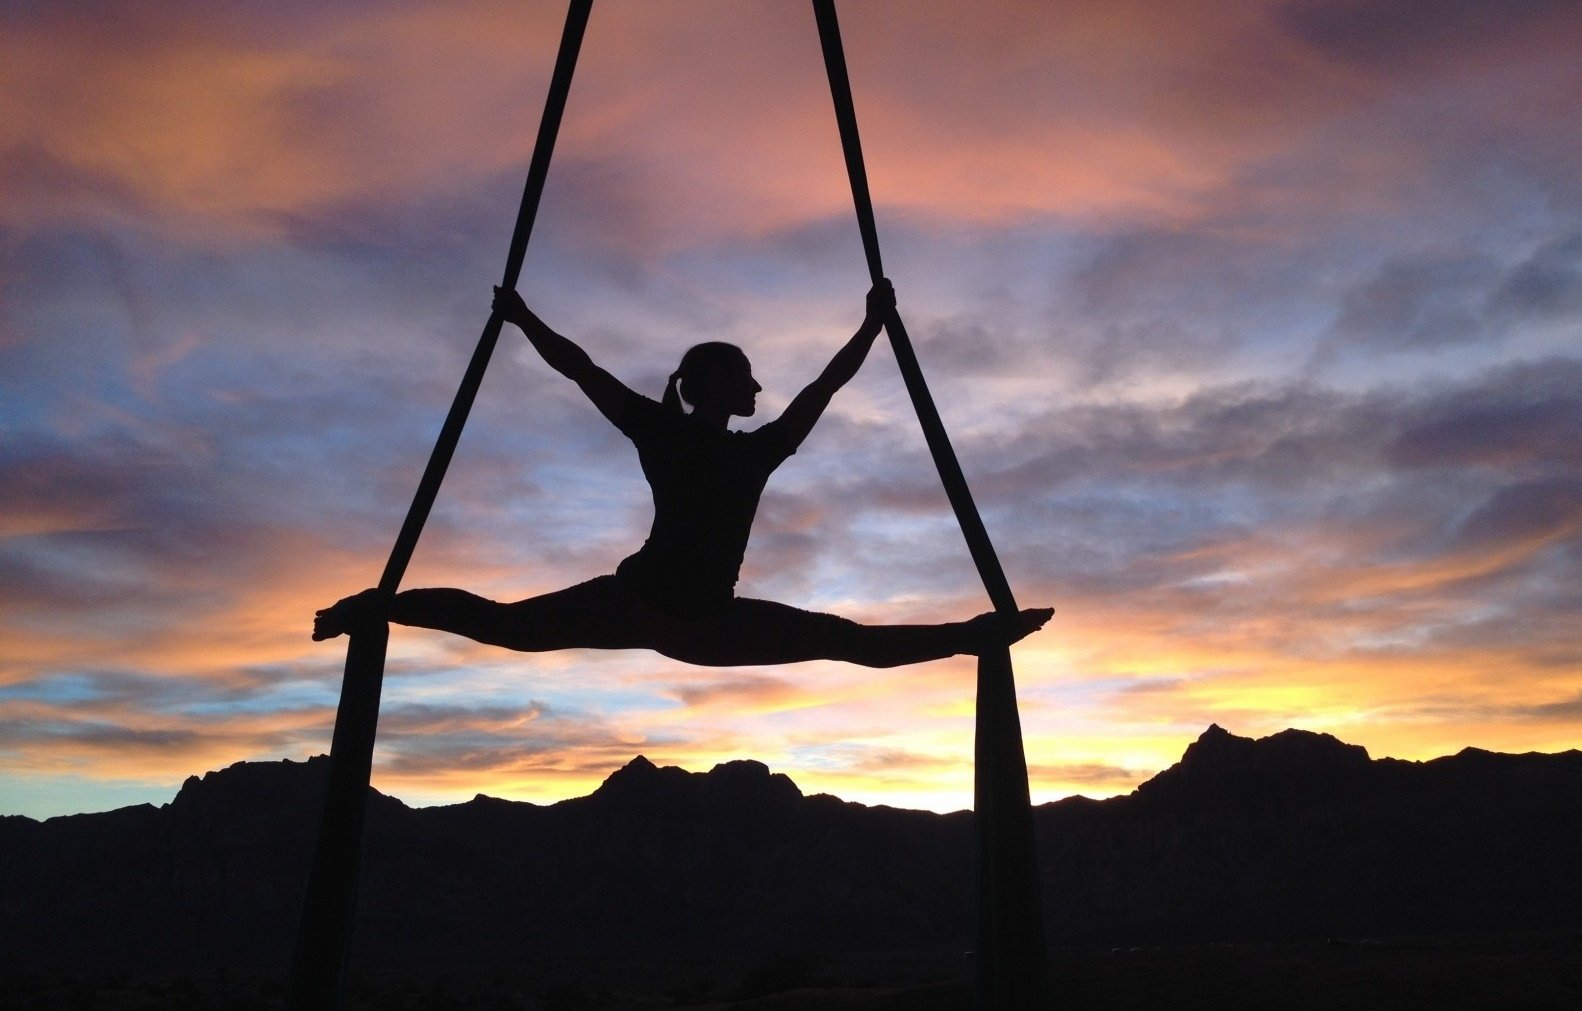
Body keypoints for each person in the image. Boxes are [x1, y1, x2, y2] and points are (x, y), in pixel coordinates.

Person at [314, 281, 1051, 667]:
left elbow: (823, 386)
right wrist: (520, 317)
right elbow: (582, 369)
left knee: (843, 639)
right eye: (749, 379)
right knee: (506, 626)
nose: (760, 391)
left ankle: (977, 635)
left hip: (694, 618)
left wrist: (872, 328)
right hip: (652, 607)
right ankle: (376, 605)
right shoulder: (702, 438)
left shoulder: (715, 441)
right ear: (717, 386)